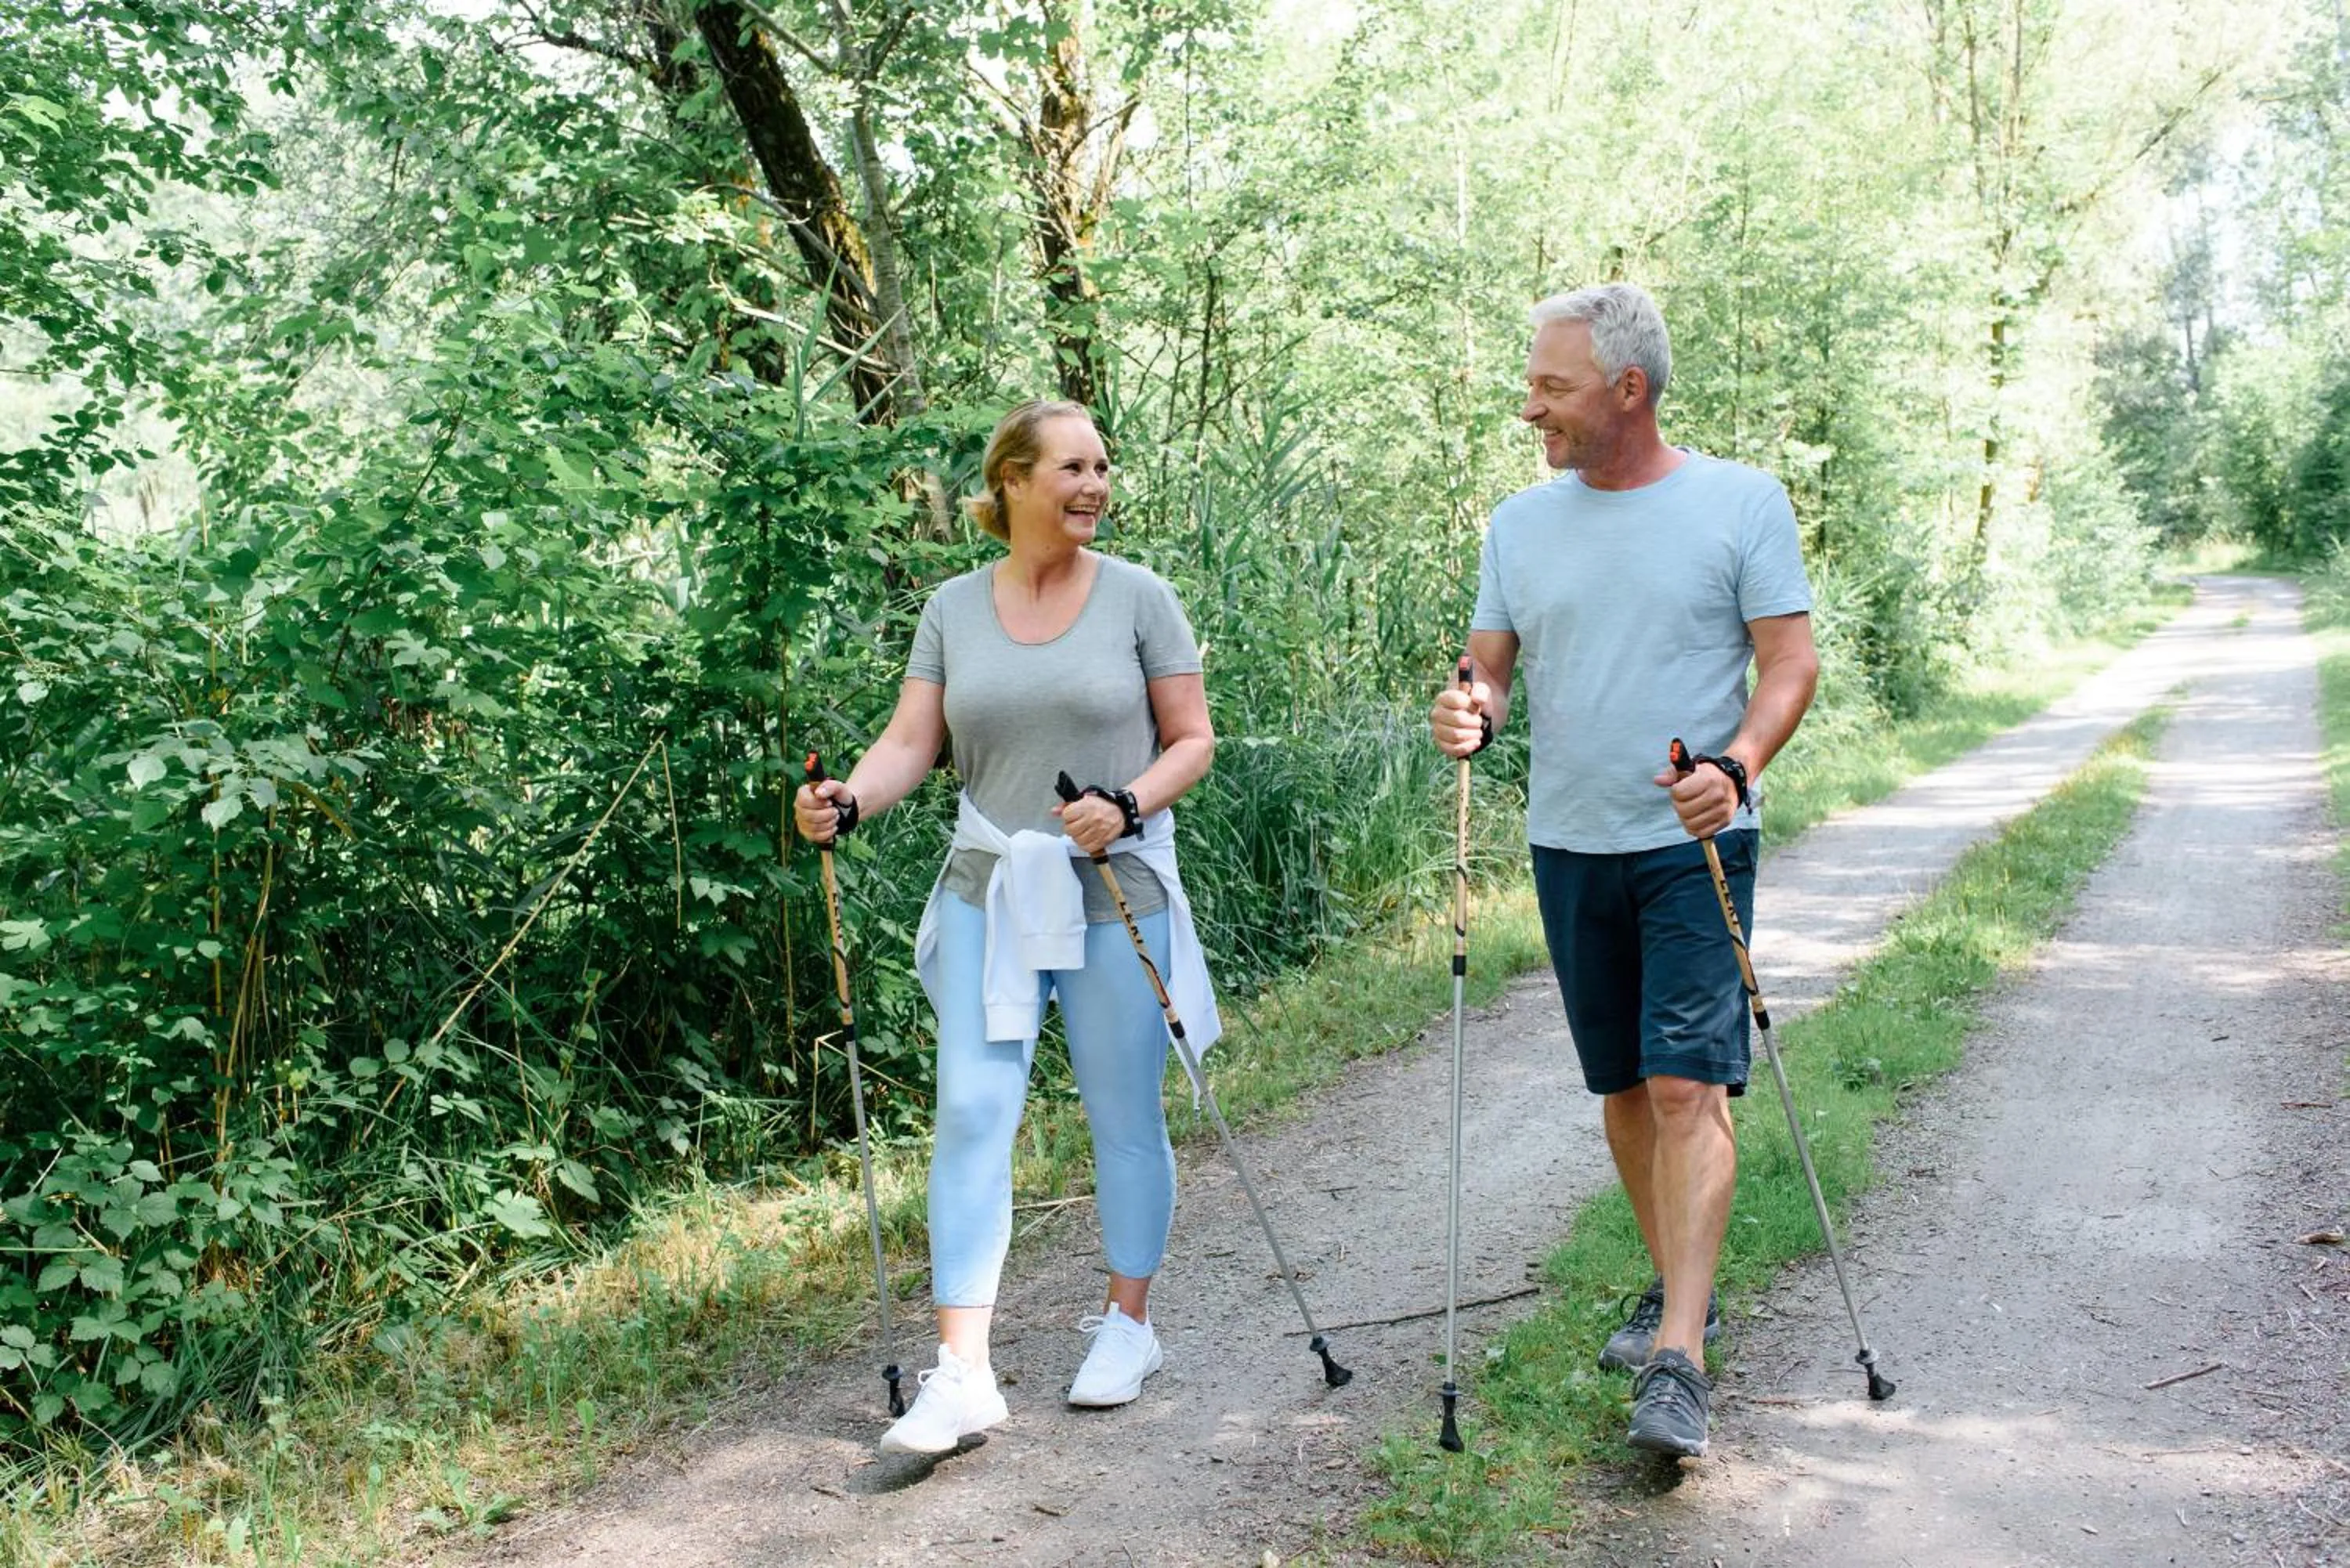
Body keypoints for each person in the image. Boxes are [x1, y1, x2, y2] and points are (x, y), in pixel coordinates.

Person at [1429, 284, 1818, 1459]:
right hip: (1569, 840)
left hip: (1694, 838)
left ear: (1628, 390)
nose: (1529, 404)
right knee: (1622, 1088)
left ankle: (1681, 1358)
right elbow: (1488, 669)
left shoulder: (1740, 503)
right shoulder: (1518, 525)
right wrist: (1471, 709)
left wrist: (1739, 765)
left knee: (1686, 1085)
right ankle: (1671, 1282)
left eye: (1551, 385)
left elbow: (1789, 664)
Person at [794, 399, 1218, 1456]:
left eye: (1105, 466)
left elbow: (1193, 739)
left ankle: (1129, 1322)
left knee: (1124, 1107)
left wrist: (1125, 803)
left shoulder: (1138, 597)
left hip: (1114, 881)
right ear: (1014, 481)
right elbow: (909, 740)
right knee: (975, 1108)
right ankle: (964, 1371)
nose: (1096, 483)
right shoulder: (954, 606)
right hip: (994, 880)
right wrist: (849, 798)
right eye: (1074, 466)